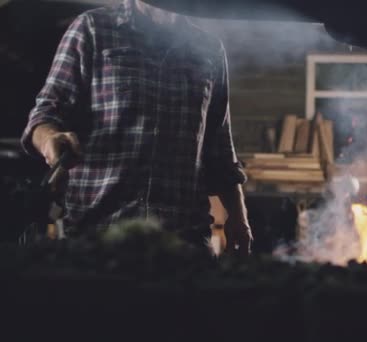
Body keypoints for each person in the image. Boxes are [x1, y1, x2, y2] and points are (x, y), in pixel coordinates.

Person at [21, 0, 253, 253]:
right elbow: (46, 112)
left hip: (184, 239)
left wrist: (239, 218)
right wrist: (49, 138)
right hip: (97, 234)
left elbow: (219, 148)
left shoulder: (209, 49)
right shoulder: (93, 29)